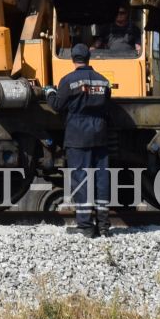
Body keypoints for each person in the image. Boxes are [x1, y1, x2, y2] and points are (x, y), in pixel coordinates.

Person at [49, 43, 112, 236]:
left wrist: (49, 92)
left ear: (73, 59)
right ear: (88, 59)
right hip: (100, 134)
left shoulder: (68, 81)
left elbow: (57, 105)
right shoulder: (104, 81)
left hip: (78, 135)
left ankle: (85, 226)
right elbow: (107, 105)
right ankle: (103, 226)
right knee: (102, 178)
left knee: (81, 179)